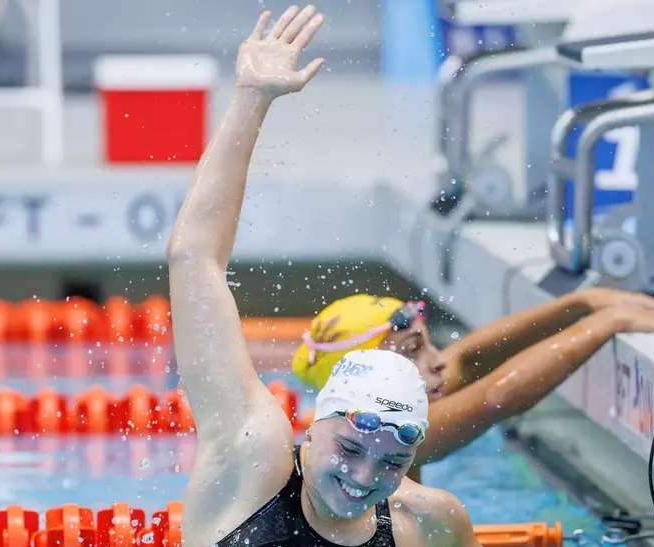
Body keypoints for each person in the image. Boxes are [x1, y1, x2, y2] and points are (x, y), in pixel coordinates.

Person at [166, 6, 481, 547]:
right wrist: (251, 100)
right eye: (351, 448)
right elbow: (195, 257)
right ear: (314, 423)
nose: (363, 479)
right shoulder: (250, 463)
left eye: (394, 462)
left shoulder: (429, 524)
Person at [293, 288, 654, 478]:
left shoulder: (377, 404)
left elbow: (468, 357)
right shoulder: (381, 437)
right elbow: (497, 397)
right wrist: (607, 323)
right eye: (414, 349)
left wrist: (582, 302)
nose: (437, 362)